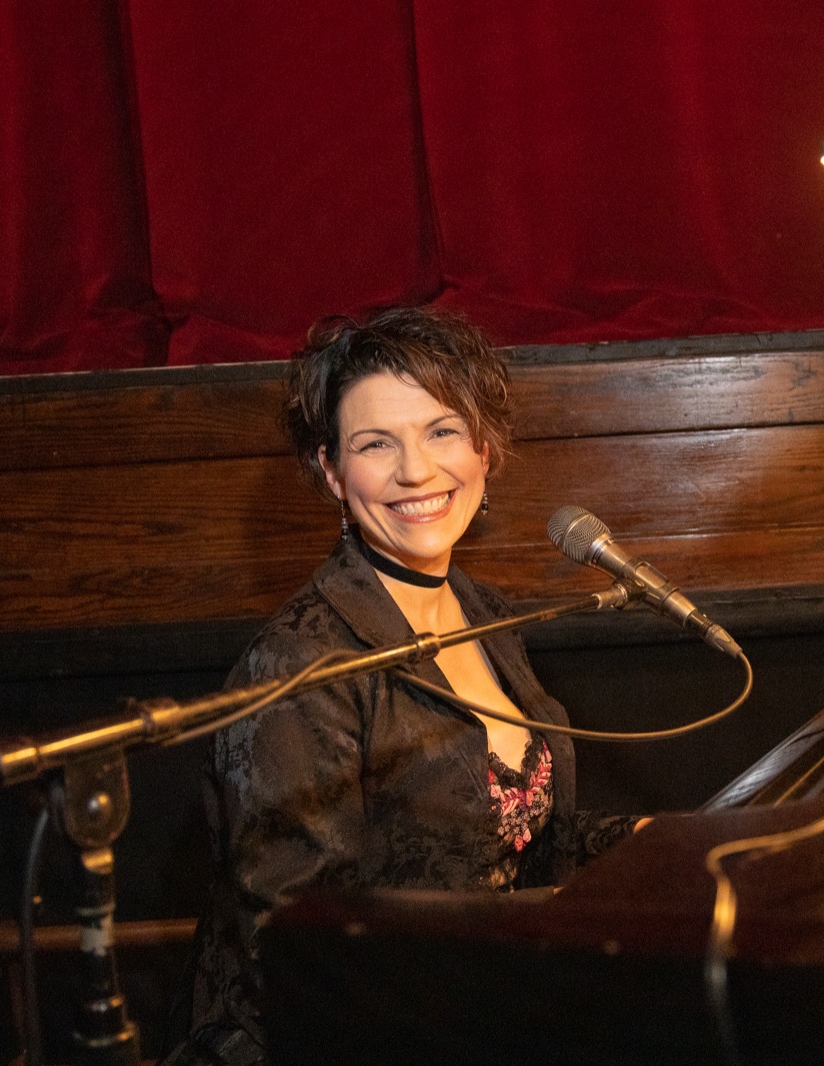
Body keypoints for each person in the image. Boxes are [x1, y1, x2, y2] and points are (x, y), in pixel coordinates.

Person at [165, 305, 640, 1065]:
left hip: (479, 1010)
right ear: (331, 472)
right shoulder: (300, 663)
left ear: (484, 449)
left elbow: (512, 836)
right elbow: (298, 943)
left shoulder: (483, 612)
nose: (415, 472)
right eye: (375, 445)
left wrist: (655, 847)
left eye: (441, 431)